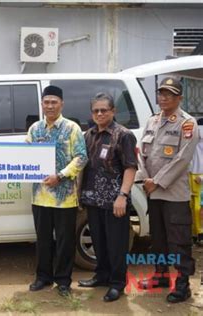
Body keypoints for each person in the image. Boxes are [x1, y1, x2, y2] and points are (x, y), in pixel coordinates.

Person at [136, 77, 198, 303]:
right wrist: (144, 178)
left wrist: (158, 181)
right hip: (152, 191)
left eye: (169, 94)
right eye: (161, 93)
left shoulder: (187, 123)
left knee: (178, 240)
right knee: (158, 239)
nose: (163, 98)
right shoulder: (152, 121)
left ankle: (183, 285)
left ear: (179, 98)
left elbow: (183, 159)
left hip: (173, 194)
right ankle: (161, 277)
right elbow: (141, 152)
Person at [26, 85, 88, 297]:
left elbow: (81, 157)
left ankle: (63, 280)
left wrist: (60, 175)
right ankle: (43, 277)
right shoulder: (35, 129)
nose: (50, 105)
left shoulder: (72, 128)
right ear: (42, 104)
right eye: (47, 102)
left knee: (65, 241)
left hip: (65, 199)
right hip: (39, 197)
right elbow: (24, 156)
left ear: (62, 104)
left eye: (54, 102)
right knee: (42, 239)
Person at [78, 93, 137, 302]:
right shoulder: (89, 135)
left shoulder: (124, 135)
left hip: (115, 202)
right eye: (96, 110)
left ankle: (117, 283)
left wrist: (123, 195)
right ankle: (101, 276)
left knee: (116, 244)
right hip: (93, 200)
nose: (100, 113)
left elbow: (131, 167)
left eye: (104, 110)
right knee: (99, 242)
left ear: (113, 111)